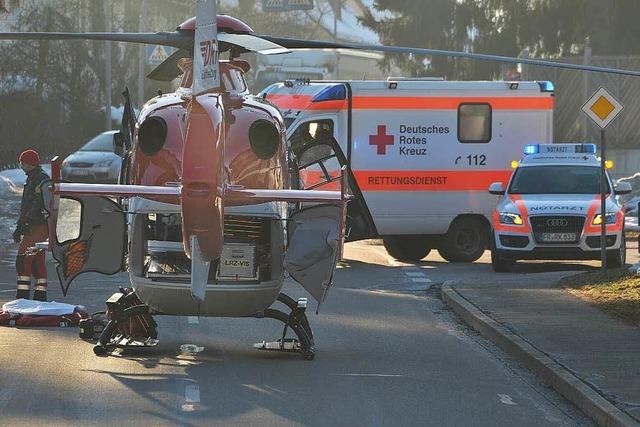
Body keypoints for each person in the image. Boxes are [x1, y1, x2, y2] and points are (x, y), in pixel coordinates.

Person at [13, 149, 50, 301]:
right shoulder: (33, 178)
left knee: (23, 257)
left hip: (38, 225)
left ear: (29, 163)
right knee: (37, 260)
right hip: (34, 225)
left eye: (22, 162)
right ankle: (40, 296)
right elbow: (28, 205)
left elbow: (37, 203)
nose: (21, 165)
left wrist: (26, 221)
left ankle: (23, 296)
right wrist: (20, 224)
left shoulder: (40, 180)